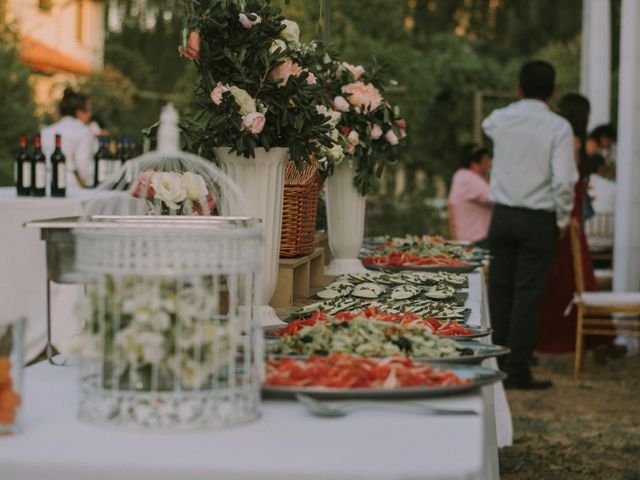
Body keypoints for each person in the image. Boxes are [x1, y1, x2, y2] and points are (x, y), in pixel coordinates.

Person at [482, 60, 578, 389]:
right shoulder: (559, 127)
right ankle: (518, 369)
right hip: (539, 218)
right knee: (528, 294)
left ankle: (494, 361)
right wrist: (563, 217)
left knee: (499, 290)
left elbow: (488, 124)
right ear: (553, 91)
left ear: (518, 88)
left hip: (503, 215)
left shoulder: (499, 120)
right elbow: (564, 179)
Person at [537, 94, 604, 354]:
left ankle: (557, 335)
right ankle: (586, 335)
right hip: (573, 212)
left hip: (565, 213)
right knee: (576, 274)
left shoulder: (566, 141)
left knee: (559, 276)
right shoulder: (580, 143)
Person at [41, 88, 96, 189]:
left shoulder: (46, 131)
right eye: (89, 110)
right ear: (79, 112)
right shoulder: (84, 131)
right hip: (68, 184)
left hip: (44, 181)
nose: (91, 114)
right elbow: (83, 166)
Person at [447, 143, 493, 247]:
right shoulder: (470, 179)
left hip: (467, 241)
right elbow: (498, 197)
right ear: (474, 164)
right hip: (477, 242)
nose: (489, 165)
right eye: (486, 161)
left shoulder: (460, 176)